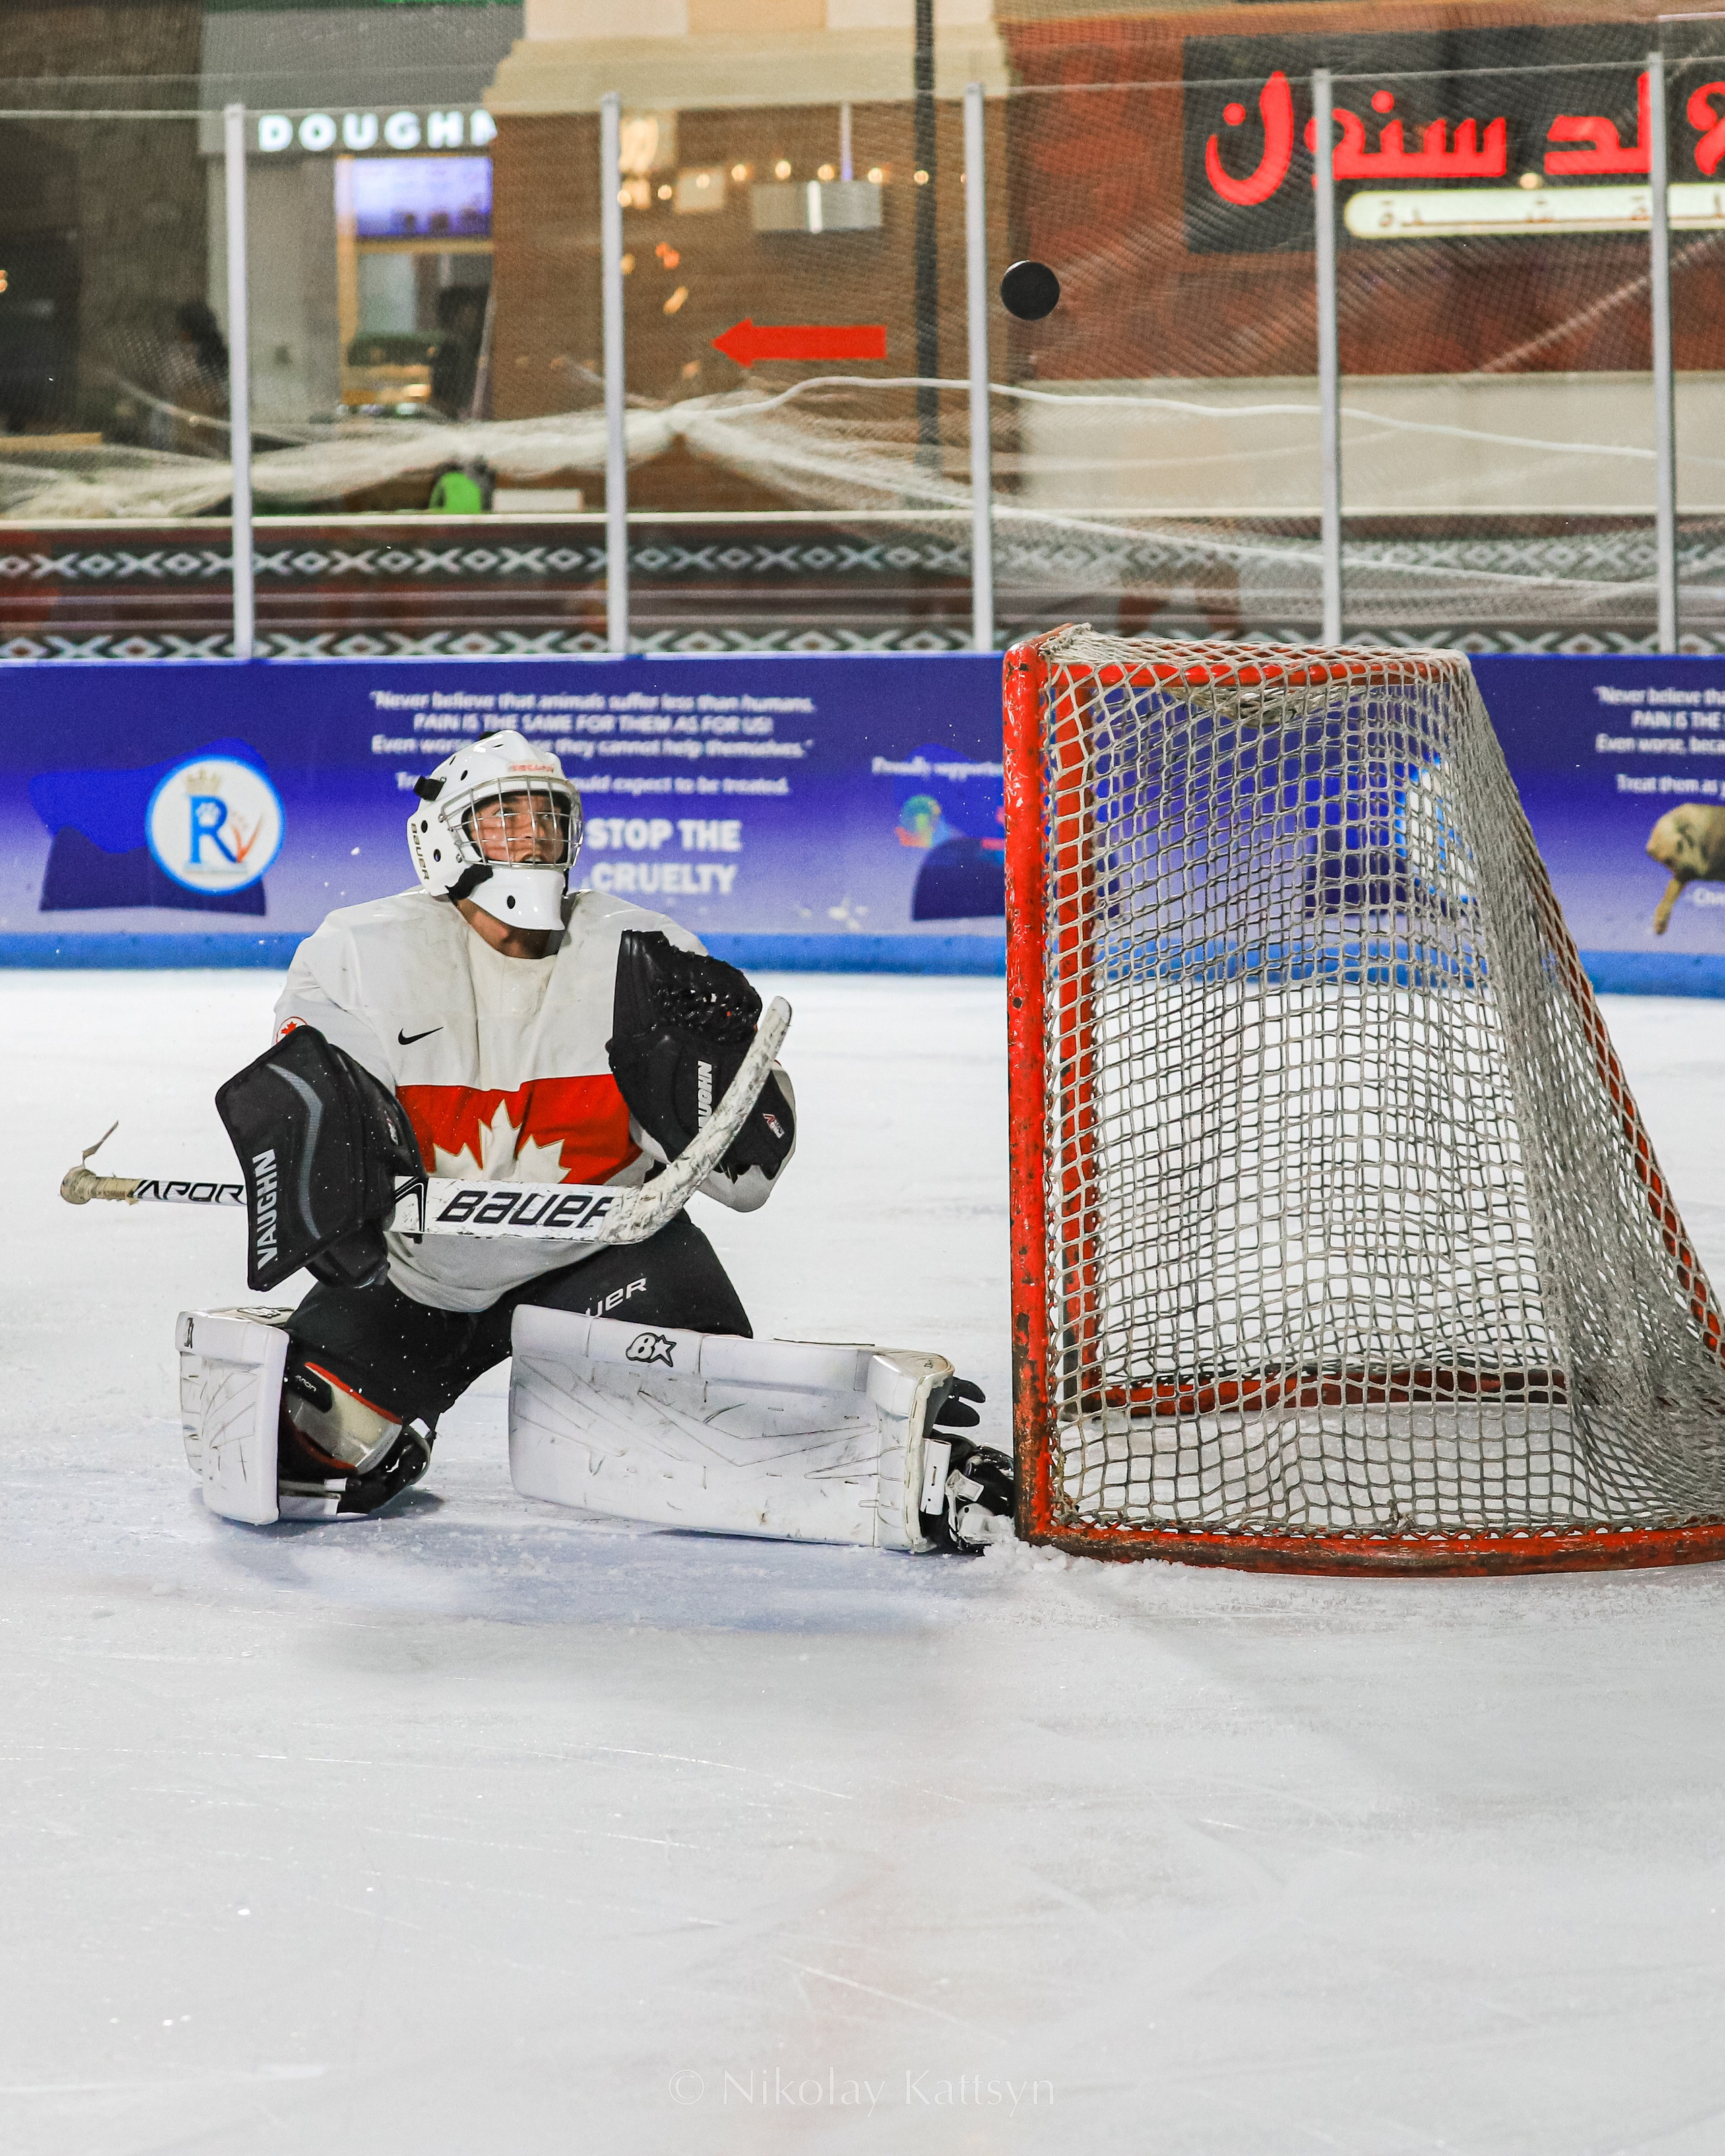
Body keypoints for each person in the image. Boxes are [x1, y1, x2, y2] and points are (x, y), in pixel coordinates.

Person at [183, 730, 1011, 1553]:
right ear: (442, 839)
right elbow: (314, 1115)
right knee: (295, 1465)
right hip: (418, 1272)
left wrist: (718, 1072)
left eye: (548, 821)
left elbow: (745, 1178)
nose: (535, 841)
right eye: (505, 820)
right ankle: (396, 1430)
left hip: (606, 1259)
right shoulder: (360, 952)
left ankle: (922, 1475)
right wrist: (332, 1190)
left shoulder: (640, 950)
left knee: (727, 1440)